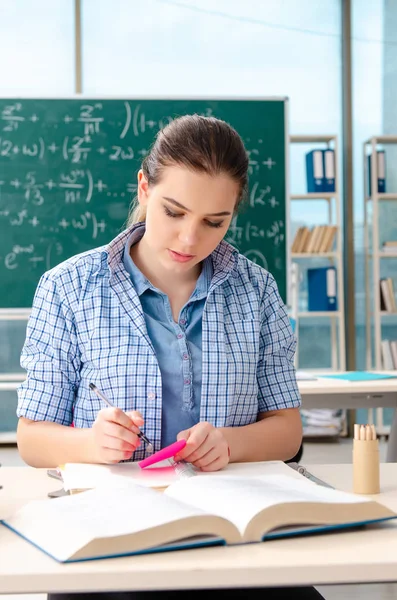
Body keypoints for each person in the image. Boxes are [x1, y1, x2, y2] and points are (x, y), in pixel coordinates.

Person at [16, 114, 323, 600]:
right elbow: (32, 440)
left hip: (232, 535)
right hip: (111, 534)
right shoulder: (67, 288)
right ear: (144, 188)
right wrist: (89, 443)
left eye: (213, 223)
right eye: (173, 212)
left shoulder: (257, 290)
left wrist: (229, 443)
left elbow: (287, 432)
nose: (188, 239)